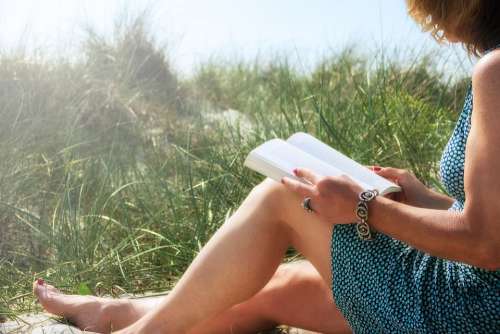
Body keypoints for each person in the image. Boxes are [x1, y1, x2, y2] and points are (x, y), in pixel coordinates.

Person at [33, 1, 500, 333]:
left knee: (283, 197)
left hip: (466, 311)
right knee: (272, 285)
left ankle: (144, 331)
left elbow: (487, 242)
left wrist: (364, 206)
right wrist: (421, 196)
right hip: (475, 296)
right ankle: (117, 311)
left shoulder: (494, 71)